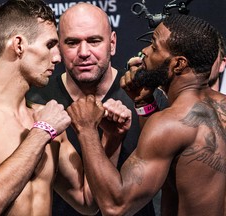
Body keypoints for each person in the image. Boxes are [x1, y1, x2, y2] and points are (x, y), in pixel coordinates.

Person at [0, 0, 132, 215]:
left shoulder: (44, 115)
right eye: (49, 45)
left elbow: (88, 201)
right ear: (19, 45)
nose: (58, 57)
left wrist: (111, 138)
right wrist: (41, 132)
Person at [66, 14, 226, 216]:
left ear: (178, 64)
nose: (145, 51)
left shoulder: (170, 123)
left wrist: (87, 129)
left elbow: (116, 206)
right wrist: (144, 103)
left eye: (154, 46)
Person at [26, 2, 160, 215]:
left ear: (112, 43)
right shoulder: (35, 101)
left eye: (94, 41)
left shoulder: (145, 99)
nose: (84, 52)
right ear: (59, 46)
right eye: (72, 43)